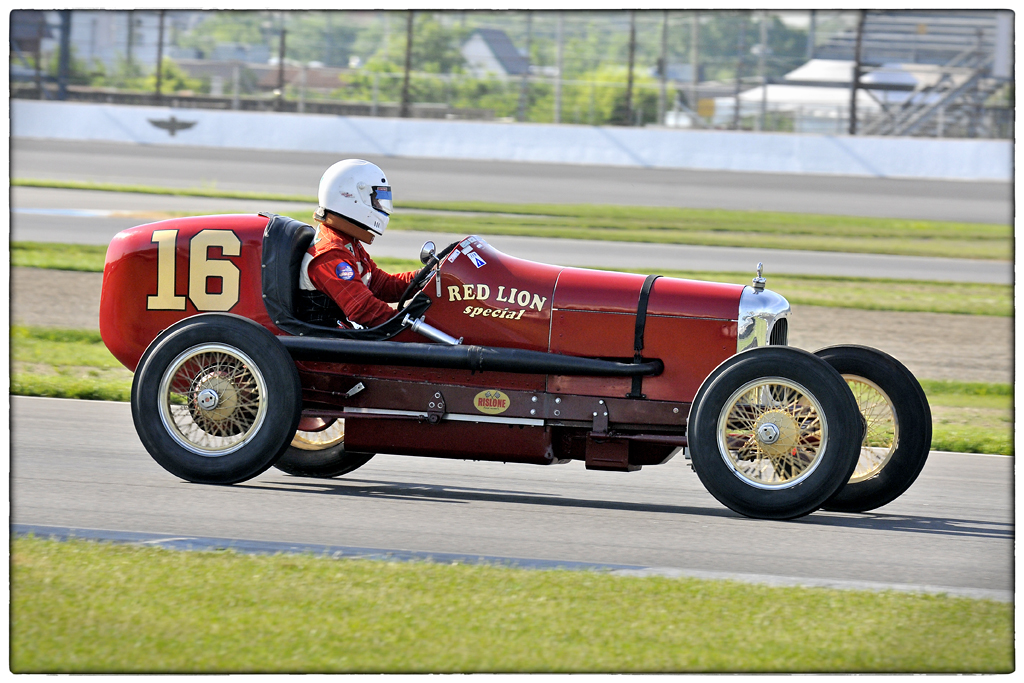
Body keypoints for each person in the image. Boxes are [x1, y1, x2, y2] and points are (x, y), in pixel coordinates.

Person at [297, 159, 417, 329]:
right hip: (328, 346)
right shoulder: (331, 252)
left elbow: (381, 285)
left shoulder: (346, 241)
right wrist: (409, 327)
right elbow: (363, 310)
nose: (380, 206)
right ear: (351, 198)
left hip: (343, 338)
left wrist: (426, 277)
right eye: (376, 200)